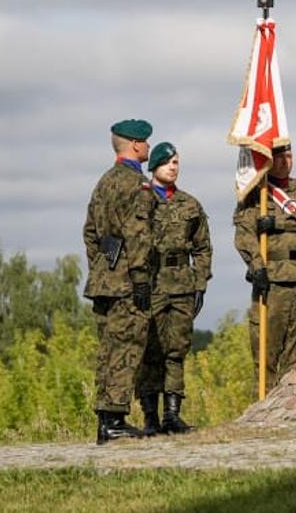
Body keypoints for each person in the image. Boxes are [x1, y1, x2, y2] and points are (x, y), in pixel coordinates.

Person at [234, 139, 296, 391]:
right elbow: (244, 234)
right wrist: (256, 267)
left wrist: (279, 223)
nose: (286, 161)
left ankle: (291, 400)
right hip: (273, 279)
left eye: (289, 155)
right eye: (279, 157)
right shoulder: (257, 194)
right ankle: (265, 403)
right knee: (267, 347)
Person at [85, 119, 156, 443]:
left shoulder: (104, 182)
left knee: (108, 350)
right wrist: (140, 278)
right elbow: (138, 235)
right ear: (134, 145)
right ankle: (114, 421)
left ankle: (106, 420)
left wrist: (101, 266)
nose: (148, 147)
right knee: (127, 348)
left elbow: (90, 232)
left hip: (104, 280)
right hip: (127, 281)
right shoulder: (135, 184)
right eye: (145, 142)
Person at [133, 142, 211, 434]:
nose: (173, 167)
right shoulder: (140, 201)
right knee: (150, 350)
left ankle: (172, 415)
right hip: (150, 284)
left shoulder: (190, 204)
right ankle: (150, 416)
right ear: (154, 167)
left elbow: (203, 247)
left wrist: (200, 281)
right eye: (167, 162)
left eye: (176, 162)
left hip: (181, 285)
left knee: (176, 350)